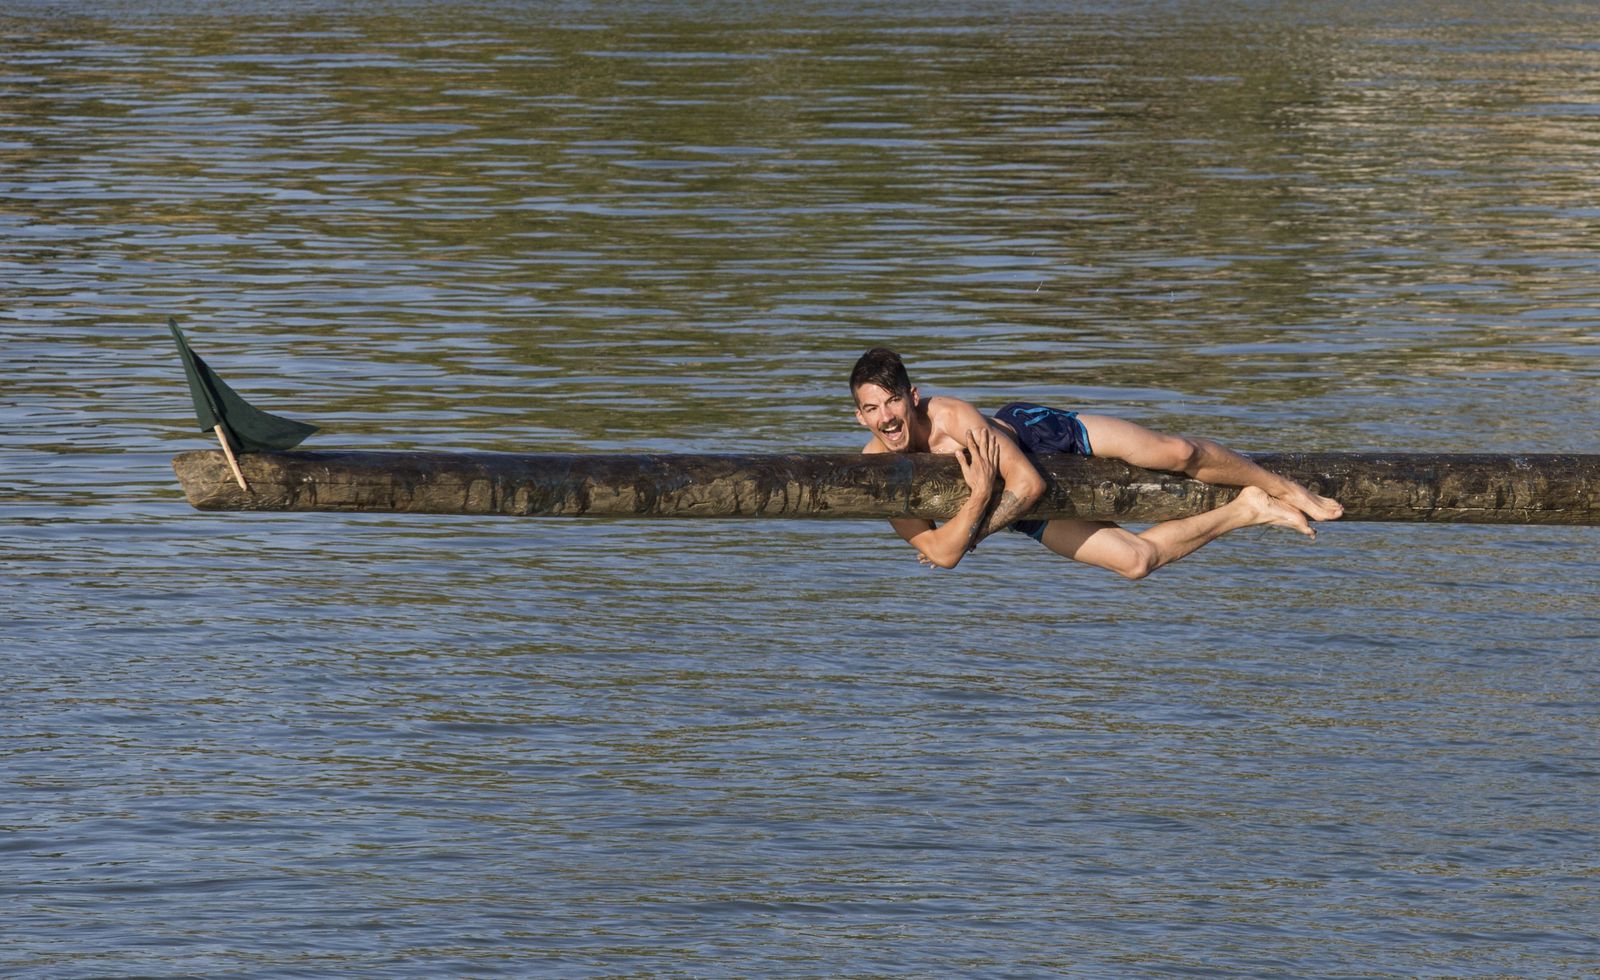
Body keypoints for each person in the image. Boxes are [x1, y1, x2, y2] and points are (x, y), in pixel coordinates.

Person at [849, 347, 1343, 579]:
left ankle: (1281, 486)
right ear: (860, 416)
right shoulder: (879, 472)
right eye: (872, 409)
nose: (886, 418)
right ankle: (1249, 509)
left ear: (912, 396)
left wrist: (969, 527)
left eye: (892, 402)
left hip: (1035, 434)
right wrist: (978, 499)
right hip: (1013, 510)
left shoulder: (951, 416)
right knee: (1134, 563)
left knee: (1178, 453)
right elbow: (942, 554)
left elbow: (1025, 481)